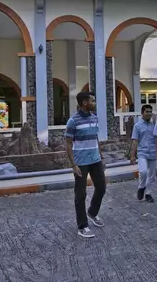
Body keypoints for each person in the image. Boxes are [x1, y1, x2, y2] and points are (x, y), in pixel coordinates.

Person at [65, 92, 105, 239]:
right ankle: (82, 226)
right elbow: (68, 144)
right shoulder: (72, 121)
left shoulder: (94, 118)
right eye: (92, 101)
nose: (95, 103)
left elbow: (95, 138)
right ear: (84, 103)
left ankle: (92, 213)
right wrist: (73, 165)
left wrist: (101, 156)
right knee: (80, 194)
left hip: (95, 160)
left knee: (101, 187)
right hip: (80, 163)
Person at [130, 104, 156, 203]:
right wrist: (132, 156)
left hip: (153, 152)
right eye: (147, 112)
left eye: (150, 111)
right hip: (142, 153)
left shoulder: (154, 124)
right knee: (143, 172)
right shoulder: (137, 126)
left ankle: (148, 193)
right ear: (142, 113)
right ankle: (141, 187)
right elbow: (135, 141)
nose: (149, 113)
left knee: (152, 175)